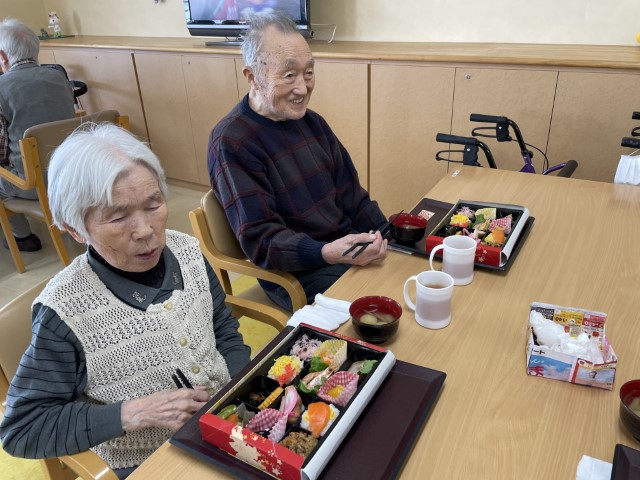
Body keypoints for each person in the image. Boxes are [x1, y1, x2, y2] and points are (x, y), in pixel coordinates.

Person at [0, 123, 250, 479]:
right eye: (118, 217)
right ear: (74, 228)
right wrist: (132, 413)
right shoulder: (64, 313)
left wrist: (238, 386)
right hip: (153, 459)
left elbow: (221, 326)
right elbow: (22, 428)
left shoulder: (188, 251)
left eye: (154, 204)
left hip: (226, 421)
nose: (146, 231)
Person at [208, 11, 388, 311]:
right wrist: (326, 252)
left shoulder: (312, 123)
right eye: (289, 75)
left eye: (308, 72)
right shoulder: (232, 141)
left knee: (408, 276)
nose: (303, 88)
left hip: (344, 248)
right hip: (297, 272)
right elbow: (262, 241)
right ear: (252, 77)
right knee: (379, 311)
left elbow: (353, 197)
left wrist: (387, 236)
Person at [0, 18, 76, 252]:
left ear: (2, 56)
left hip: (33, 185)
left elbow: (1, 153)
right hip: (72, 175)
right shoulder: (59, 77)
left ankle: (22, 237)